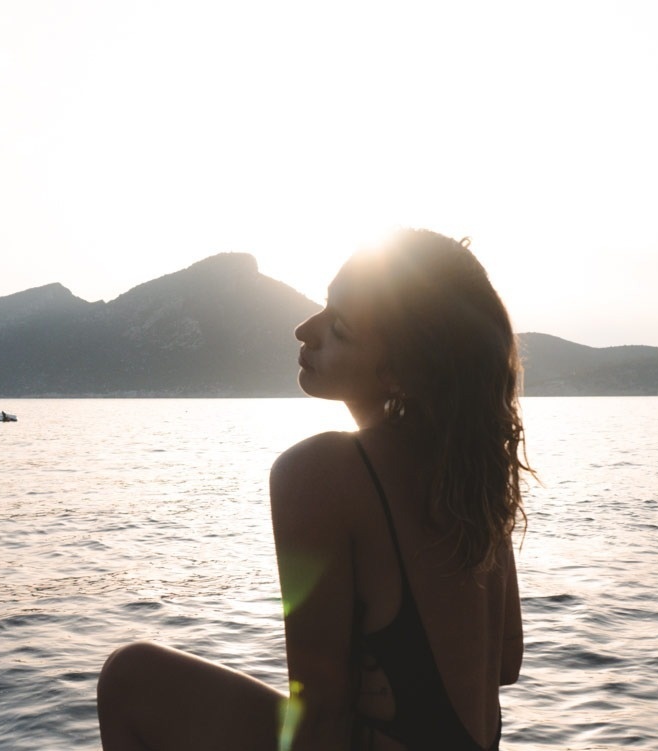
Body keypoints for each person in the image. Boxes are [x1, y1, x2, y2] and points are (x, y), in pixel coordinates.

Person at [97, 228, 530, 750]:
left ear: (398, 370)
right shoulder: (470, 472)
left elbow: (321, 717)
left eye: (340, 327)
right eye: (324, 306)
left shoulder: (322, 472)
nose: (304, 329)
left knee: (131, 678)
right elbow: (504, 665)